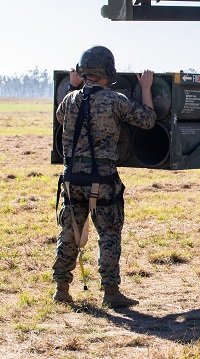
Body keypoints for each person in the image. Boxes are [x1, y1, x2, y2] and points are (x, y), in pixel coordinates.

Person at [53, 45, 157, 308]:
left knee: (70, 233)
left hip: (71, 180)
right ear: (108, 71)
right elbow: (147, 120)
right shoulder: (115, 100)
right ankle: (111, 293)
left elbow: (59, 116)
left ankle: (61, 289)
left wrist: (72, 86)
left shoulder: (70, 99)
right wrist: (145, 88)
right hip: (103, 181)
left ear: (83, 72)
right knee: (108, 234)